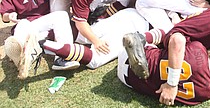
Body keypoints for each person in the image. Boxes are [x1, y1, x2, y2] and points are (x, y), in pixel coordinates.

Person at [0, 0, 79, 80]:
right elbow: (5, 16)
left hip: (44, 23)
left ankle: (63, 57)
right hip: (25, 25)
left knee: (61, 15)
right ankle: (22, 56)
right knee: (23, 24)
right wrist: (10, 16)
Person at [21, 8, 150, 71]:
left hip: (127, 13)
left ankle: (28, 32)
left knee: (83, 35)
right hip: (138, 26)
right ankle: (42, 44)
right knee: (94, 60)